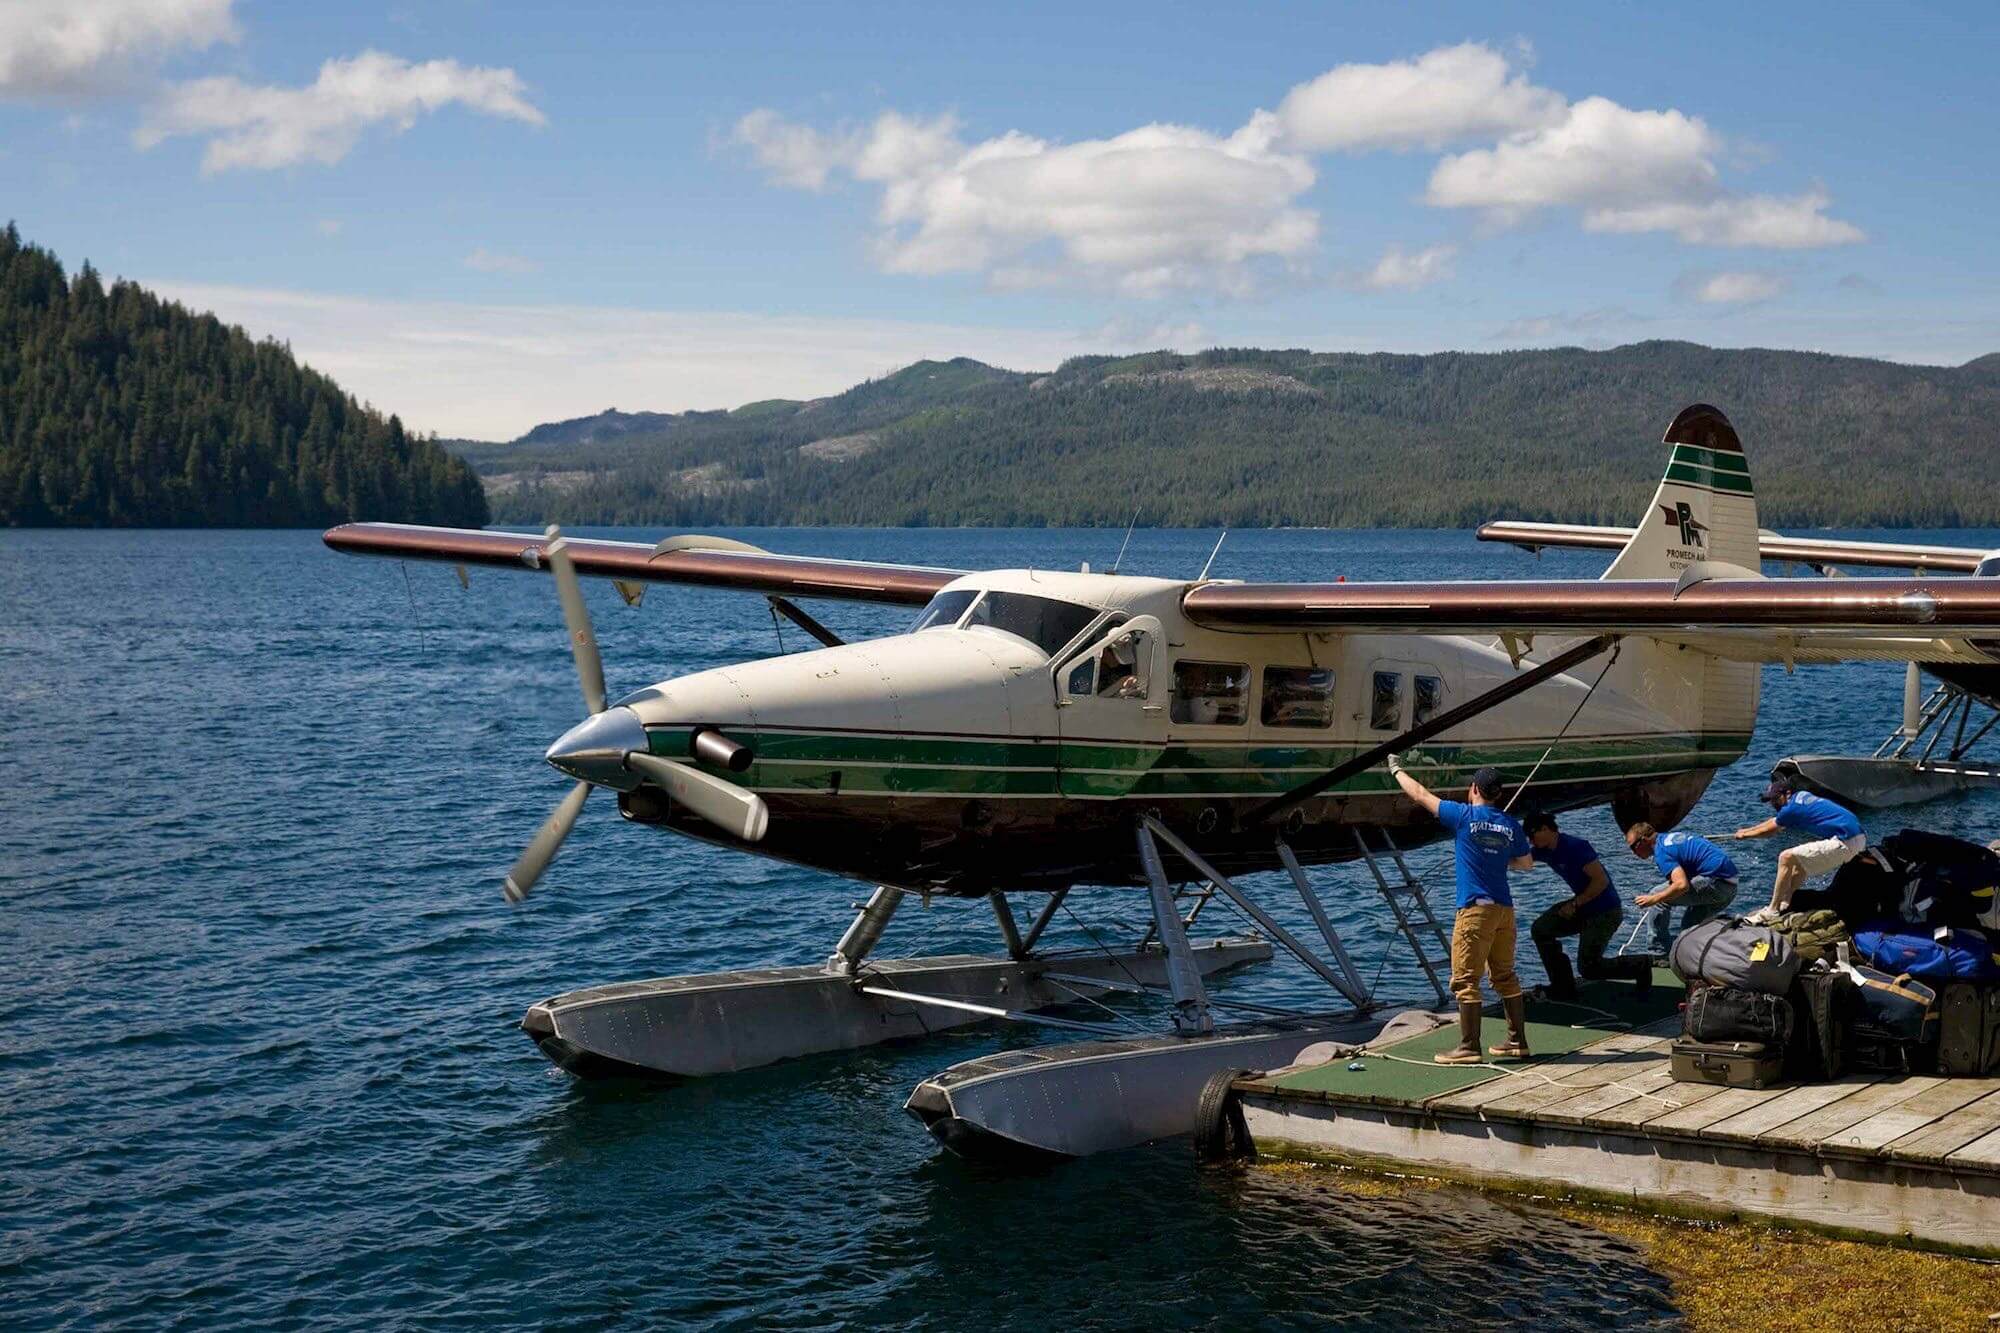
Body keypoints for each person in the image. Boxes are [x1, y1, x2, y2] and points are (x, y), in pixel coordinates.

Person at [1387, 756, 1535, 1065]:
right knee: (1505, 975)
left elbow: (1420, 795)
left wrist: (1396, 769)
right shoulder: (1510, 825)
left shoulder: (1463, 815)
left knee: (1466, 979)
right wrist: (1498, 854)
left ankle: (1468, 1047)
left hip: (1475, 909)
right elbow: (1526, 865)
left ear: (1474, 789)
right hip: (1504, 910)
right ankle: (1516, 1041)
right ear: (1499, 794)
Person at [1524, 812, 1652, 1000]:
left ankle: (1640, 964)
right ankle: (1563, 986)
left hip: (1605, 911)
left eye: (1531, 835)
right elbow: (1518, 859)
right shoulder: (1544, 850)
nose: (1530, 840)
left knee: (1589, 968)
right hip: (1584, 907)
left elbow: (1600, 881)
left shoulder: (1575, 847)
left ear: (1545, 829)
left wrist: (1575, 903)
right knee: (1541, 929)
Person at [1734, 778, 1865, 922]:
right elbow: (1775, 820)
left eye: (1776, 799)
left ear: (1787, 794)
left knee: (1786, 857)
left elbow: (1770, 831)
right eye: (1771, 800)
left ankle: (1772, 910)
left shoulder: (1791, 809)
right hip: (1856, 838)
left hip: (1846, 841)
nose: (1773, 803)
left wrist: (1745, 836)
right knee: (1799, 862)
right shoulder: (1800, 797)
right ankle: (1786, 903)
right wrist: (1747, 830)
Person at [1626, 823, 1741, 956]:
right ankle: (1692, 956)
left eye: (1633, 847)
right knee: (1689, 927)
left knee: (1658, 897)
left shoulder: (1662, 851)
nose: (1633, 853)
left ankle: (1658, 953)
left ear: (1644, 841)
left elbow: (1681, 885)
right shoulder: (1669, 838)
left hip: (1716, 884)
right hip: (1730, 887)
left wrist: (1653, 899)